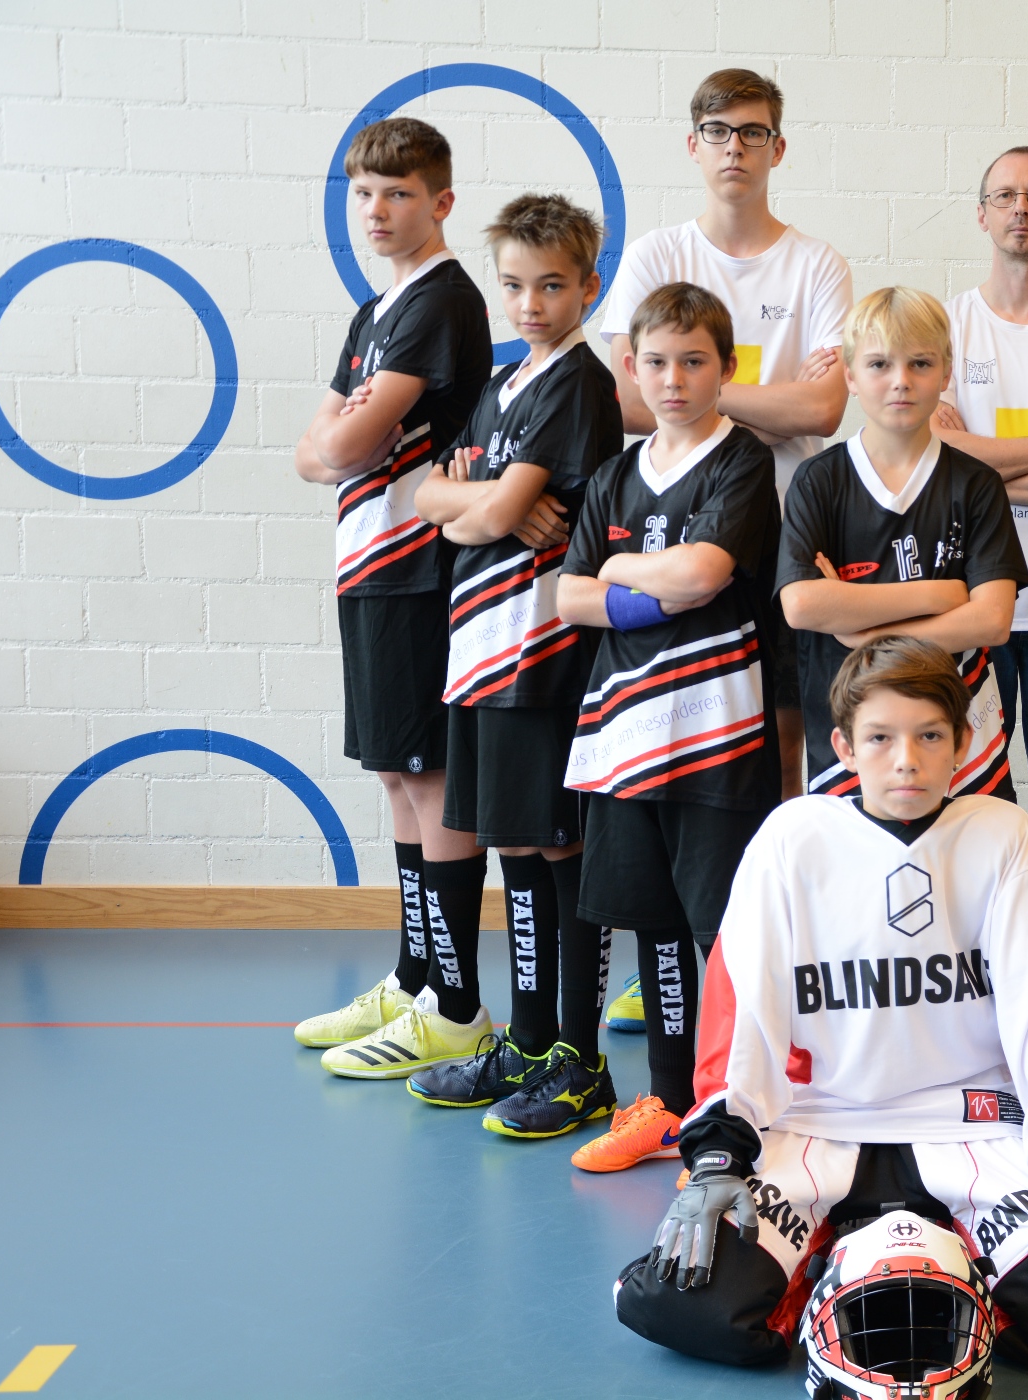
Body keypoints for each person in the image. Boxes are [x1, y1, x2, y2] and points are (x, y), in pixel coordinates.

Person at [615, 638, 1028, 1369]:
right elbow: (740, 1005)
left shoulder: (1002, 835)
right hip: (817, 1126)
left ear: (962, 743)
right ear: (844, 745)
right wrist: (717, 1158)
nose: (907, 760)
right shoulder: (793, 839)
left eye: (930, 736)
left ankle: (947, 1251)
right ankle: (844, 1257)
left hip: (970, 1128)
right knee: (683, 1304)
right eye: (880, 738)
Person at [594, 66, 851, 1030]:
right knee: (675, 755)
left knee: (781, 754)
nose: (733, 146)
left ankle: (767, 951)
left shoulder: (816, 264)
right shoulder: (660, 251)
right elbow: (625, 401)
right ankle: (680, 943)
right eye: (716, 130)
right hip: (681, 534)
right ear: (693, 145)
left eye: (751, 131)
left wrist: (694, 391)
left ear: (777, 147)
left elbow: (824, 411)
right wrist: (757, 397)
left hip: (786, 537)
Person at [386, 193, 624, 1134]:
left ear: (588, 288)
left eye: (552, 286)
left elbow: (478, 511)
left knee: (558, 846)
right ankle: (527, 1042)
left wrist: (478, 501)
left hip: (541, 652)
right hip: (482, 653)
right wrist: (480, 500)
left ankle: (579, 1058)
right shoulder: (503, 383)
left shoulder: (578, 384)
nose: (531, 304)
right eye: (516, 286)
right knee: (517, 846)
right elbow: (425, 494)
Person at [555, 283, 784, 1172]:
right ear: (632, 367)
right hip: (624, 734)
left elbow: (704, 575)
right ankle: (669, 1101)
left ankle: (736, 1103)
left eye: (694, 361)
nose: (675, 379)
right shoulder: (615, 474)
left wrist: (618, 570)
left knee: (720, 930)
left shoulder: (741, 460)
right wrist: (640, 583)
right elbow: (568, 597)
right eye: (657, 362)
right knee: (652, 926)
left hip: (716, 732)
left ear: (727, 368)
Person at [290, 117, 494, 1071]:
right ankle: (416, 978)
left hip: (420, 567)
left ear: (440, 202)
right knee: (396, 776)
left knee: (432, 776)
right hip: (368, 564)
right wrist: (335, 443)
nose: (376, 210)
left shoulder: (440, 302)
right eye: (364, 193)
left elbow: (341, 443)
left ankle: (455, 1005)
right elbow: (314, 450)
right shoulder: (376, 311)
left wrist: (338, 442)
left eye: (398, 193)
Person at [777, 287, 1028, 802]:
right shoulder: (819, 480)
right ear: (850, 376)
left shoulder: (975, 484)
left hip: (959, 740)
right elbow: (802, 604)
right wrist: (941, 594)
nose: (901, 380)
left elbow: (991, 620)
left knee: (966, 851)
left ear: (946, 372)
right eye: (878, 364)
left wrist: (861, 629)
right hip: (851, 741)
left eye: (920, 363)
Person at [935, 146, 1028, 804]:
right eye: (1004, 196)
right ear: (982, 215)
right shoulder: (946, 324)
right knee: (973, 793)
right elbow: (936, 458)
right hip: (973, 598)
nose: (1020, 208)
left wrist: (978, 463)